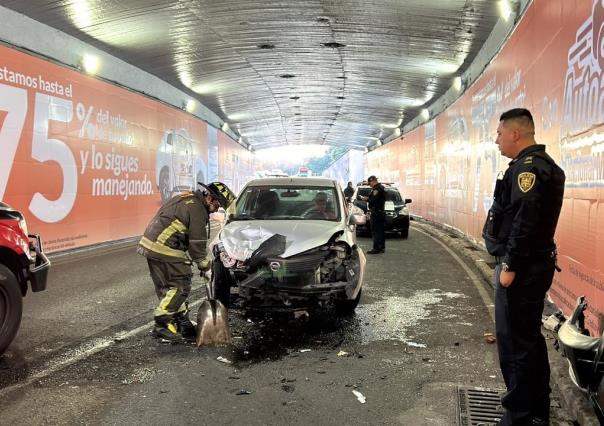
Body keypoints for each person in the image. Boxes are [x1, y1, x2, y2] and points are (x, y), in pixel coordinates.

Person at [482, 108, 565, 426]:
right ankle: (536, 410)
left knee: (515, 342)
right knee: (528, 340)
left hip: (521, 268)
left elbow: (524, 221)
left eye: (500, 134)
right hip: (534, 265)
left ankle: (518, 414)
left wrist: (510, 265)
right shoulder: (542, 167)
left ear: (516, 133)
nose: (497, 140)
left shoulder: (527, 171)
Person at [137, 181, 236, 342]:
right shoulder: (197, 209)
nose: (218, 209)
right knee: (181, 285)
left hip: (151, 245)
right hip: (165, 247)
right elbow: (196, 244)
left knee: (168, 287)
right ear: (210, 198)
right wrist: (205, 265)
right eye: (218, 204)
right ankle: (161, 324)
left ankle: (182, 322)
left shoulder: (188, 198)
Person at [362, 175, 386, 254]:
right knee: (380, 231)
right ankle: (381, 247)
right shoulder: (378, 188)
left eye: (370, 183)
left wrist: (367, 199)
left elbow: (374, 200)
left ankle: (376, 248)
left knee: (376, 231)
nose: (369, 185)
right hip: (379, 212)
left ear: (373, 181)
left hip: (376, 213)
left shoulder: (378, 189)